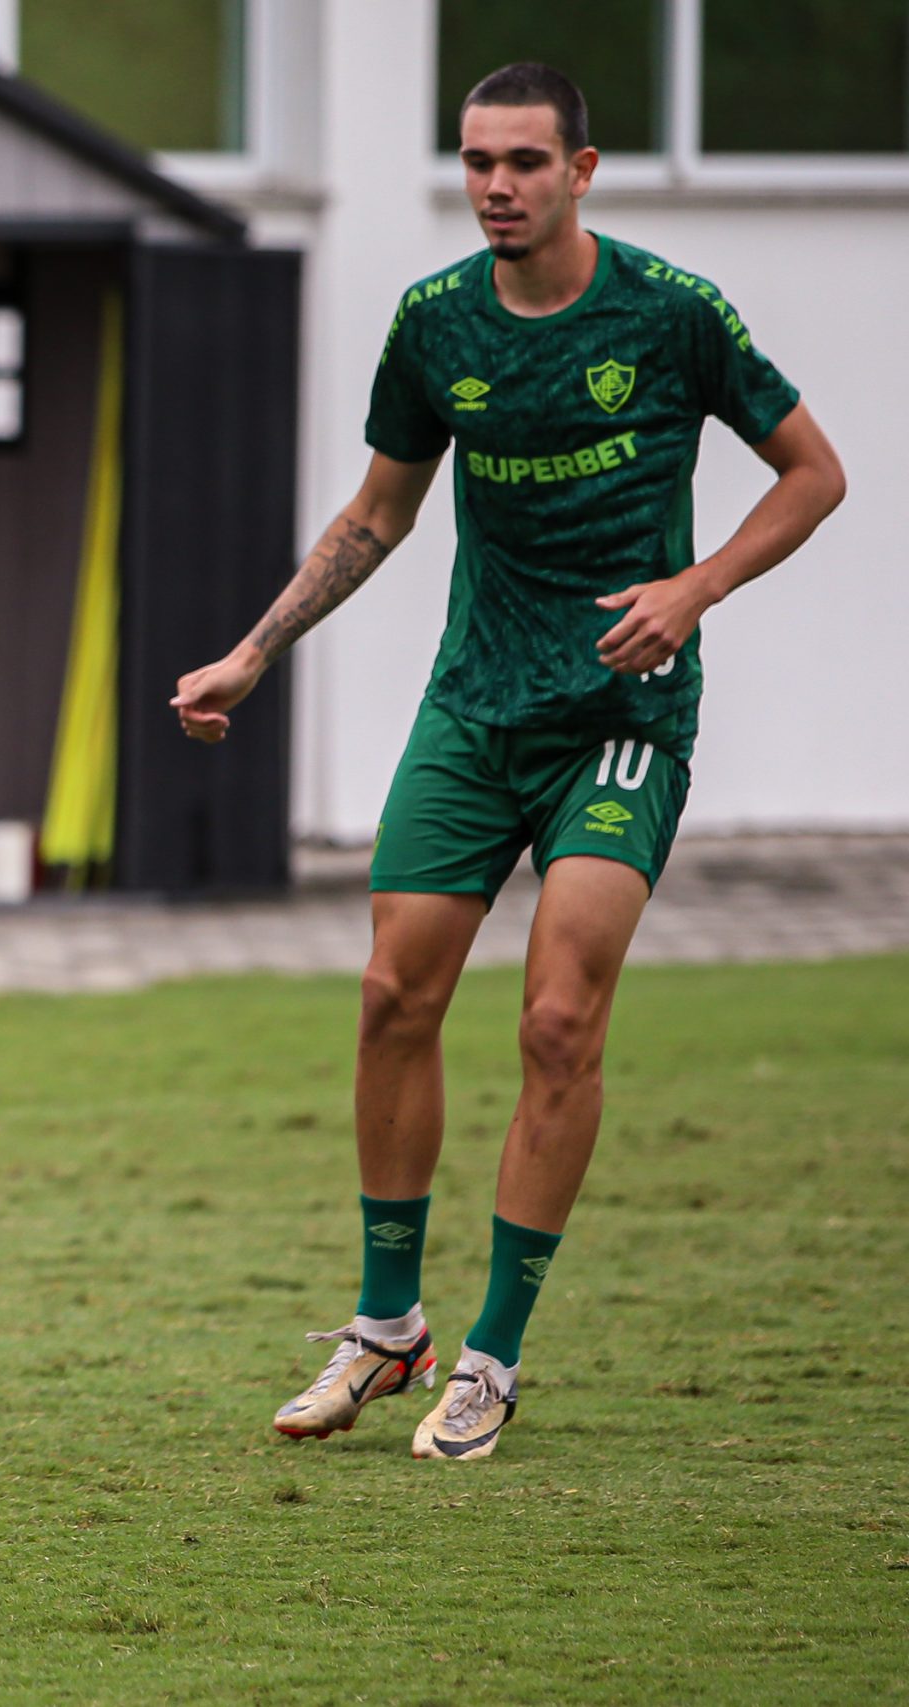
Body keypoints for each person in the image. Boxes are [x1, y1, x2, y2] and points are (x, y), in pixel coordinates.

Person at [173, 63, 845, 1461]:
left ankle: (493, 1352)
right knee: (390, 992)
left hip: (620, 718)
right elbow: (377, 514)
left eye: (527, 162)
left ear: (582, 171)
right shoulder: (434, 323)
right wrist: (253, 651)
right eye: (478, 160)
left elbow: (813, 473)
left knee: (556, 1020)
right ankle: (385, 1326)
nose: (497, 185)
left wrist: (696, 587)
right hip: (474, 710)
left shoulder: (671, 313)